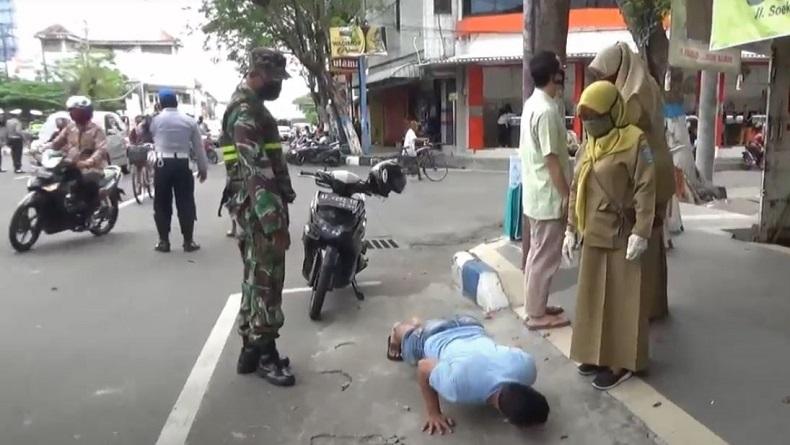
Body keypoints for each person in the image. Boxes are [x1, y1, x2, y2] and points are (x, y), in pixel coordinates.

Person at [565, 81, 656, 390]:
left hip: (622, 234)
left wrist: (641, 232)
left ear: (613, 111)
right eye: (585, 117)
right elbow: (578, 186)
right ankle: (594, 353)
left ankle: (621, 363)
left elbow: (646, 186)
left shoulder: (634, 141)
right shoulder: (589, 144)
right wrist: (569, 229)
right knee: (592, 298)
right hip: (592, 232)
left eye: (595, 116)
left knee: (622, 301)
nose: (590, 124)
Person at [224, 48, 296, 387]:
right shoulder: (246, 113)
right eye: (275, 80)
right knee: (267, 281)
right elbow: (255, 168)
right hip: (259, 211)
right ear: (258, 73)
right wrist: (273, 222)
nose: (278, 87)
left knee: (254, 280)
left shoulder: (250, 107)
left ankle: (250, 351)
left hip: (250, 207)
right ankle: (266, 355)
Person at [588, 42, 674, 321]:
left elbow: (621, 140)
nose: (604, 83)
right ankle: (654, 304)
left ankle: (641, 309)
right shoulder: (646, 84)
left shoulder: (633, 97)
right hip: (656, 169)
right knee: (652, 239)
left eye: (606, 77)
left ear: (620, 72)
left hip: (645, 173)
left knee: (641, 239)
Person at [386, 316, 549, 434]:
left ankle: (418, 325)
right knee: (410, 352)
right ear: (507, 420)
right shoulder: (457, 387)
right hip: (432, 335)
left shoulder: (527, 369)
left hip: (470, 323)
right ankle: (401, 330)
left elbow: (514, 348)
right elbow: (423, 367)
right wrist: (433, 413)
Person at [519, 51, 571, 331]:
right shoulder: (547, 110)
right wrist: (568, 195)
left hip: (535, 194)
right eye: (560, 69)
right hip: (548, 196)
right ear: (555, 76)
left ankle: (535, 305)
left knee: (537, 254)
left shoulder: (533, 103)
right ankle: (537, 314)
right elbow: (552, 160)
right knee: (545, 257)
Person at [149, 89, 208, 253]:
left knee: (161, 203)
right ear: (176, 102)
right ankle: (188, 242)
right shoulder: (189, 121)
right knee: (186, 202)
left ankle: (164, 242)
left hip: (162, 164)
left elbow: (151, 137)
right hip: (183, 164)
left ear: (160, 103)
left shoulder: (155, 120)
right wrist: (203, 168)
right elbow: (198, 147)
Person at [50, 96, 108, 215]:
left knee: (83, 182)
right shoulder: (70, 128)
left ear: (86, 113)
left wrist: (89, 161)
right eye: (71, 111)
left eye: (76, 111)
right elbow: (56, 143)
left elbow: (101, 149)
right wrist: (41, 147)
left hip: (91, 167)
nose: (73, 114)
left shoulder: (96, 130)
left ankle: (88, 208)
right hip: (71, 163)